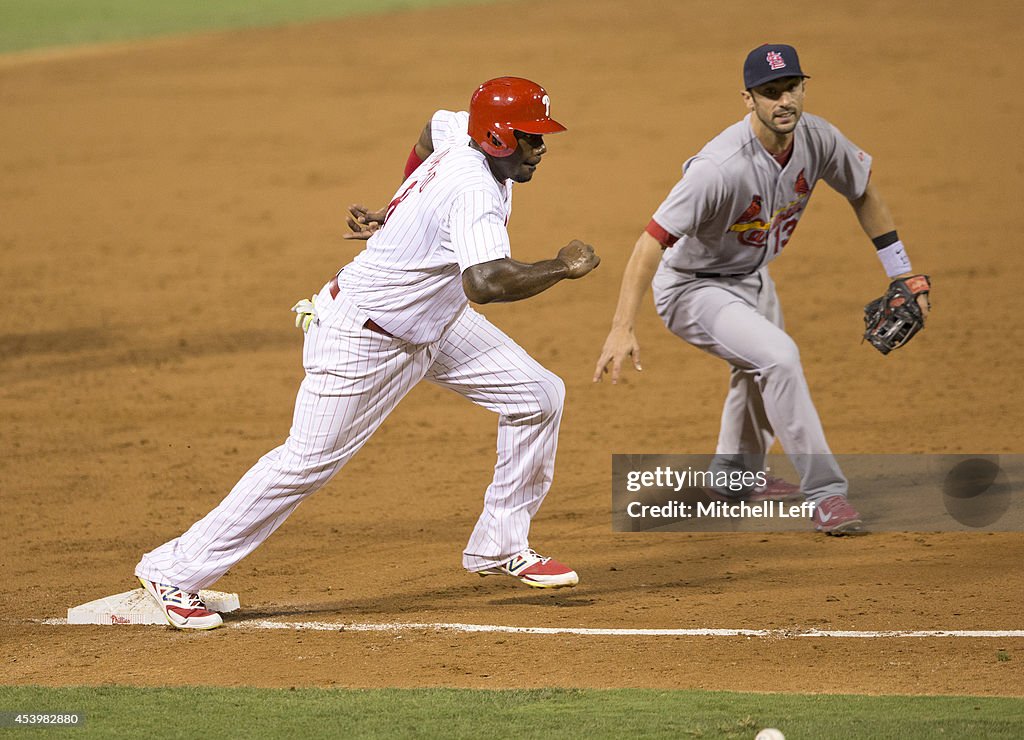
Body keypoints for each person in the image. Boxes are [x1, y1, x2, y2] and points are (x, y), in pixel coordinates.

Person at [135, 77, 600, 630]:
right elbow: (486, 282)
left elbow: (433, 126)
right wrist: (562, 266)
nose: (541, 149)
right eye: (532, 138)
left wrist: (398, 212)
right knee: (304, 463)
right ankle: (174, 571)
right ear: (498, 138)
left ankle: (499, 544)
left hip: (433, 324)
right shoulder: (474, 190)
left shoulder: (464, 137)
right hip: (364, 339)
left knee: (538, 395)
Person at [593, 44, 930, 535]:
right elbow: (650, 242)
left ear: (803, 88)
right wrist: (622, 327)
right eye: (770, 93)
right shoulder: (719, 166)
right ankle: (826, 493)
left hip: (753, 276)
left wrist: (900, 271)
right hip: (692, 287)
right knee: (779, 358)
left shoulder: (819, 139)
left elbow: (862, 190)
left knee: (757, 367)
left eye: (791, 88)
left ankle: (734, 478)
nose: (784, 101)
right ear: (748, 99)